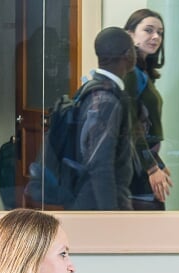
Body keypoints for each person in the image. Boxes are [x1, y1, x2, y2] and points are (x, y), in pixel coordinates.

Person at [67, 27, 140, 212]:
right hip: (97, 204)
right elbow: (100, 164)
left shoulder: (92, 89)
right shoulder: (106, 99)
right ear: (128, 55)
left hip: (89, 199)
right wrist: (110, 215)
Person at [124, 9, 170, 211]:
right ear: (130, 34)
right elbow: (131, 126)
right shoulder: (130, 72)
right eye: (148, 30)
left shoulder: (142, 71)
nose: (156, 37)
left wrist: (157, 162)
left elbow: (146, 125)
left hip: (143, 160)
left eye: (160, 32)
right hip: (135, 165)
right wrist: (152, 167)